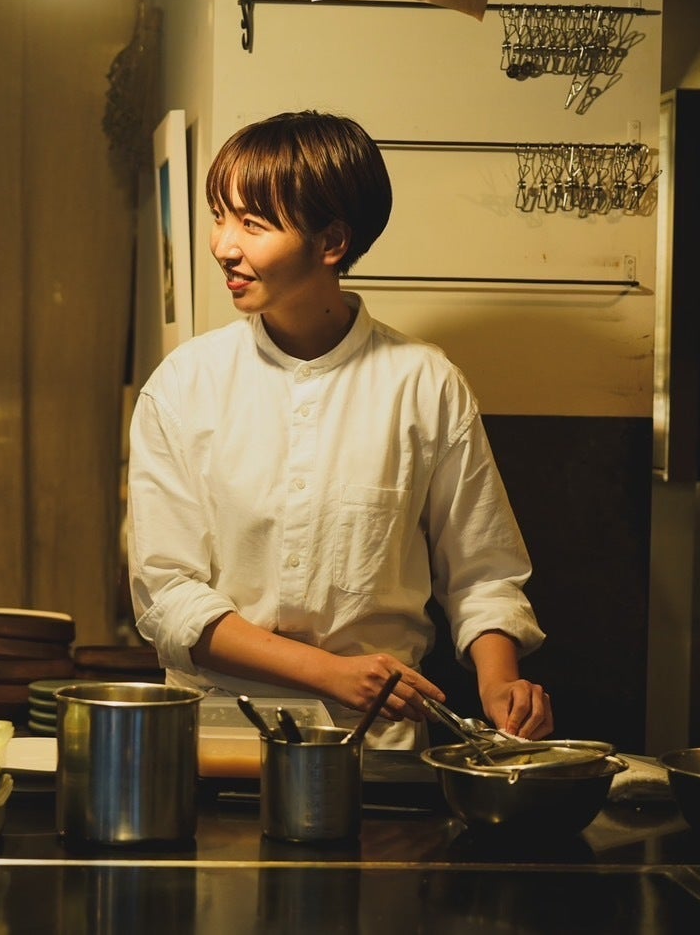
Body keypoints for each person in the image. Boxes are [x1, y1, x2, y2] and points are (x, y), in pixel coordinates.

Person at [127, 110, 553, 749]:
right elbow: (167, 596)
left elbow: (483, 574)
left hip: (373, 746)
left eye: (253, 224)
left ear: (331, 243)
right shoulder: (185, 384)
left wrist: (502, 685)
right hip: (214, 739)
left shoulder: (424, 384)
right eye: (220, 216)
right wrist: (329, 673)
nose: (224, 245)